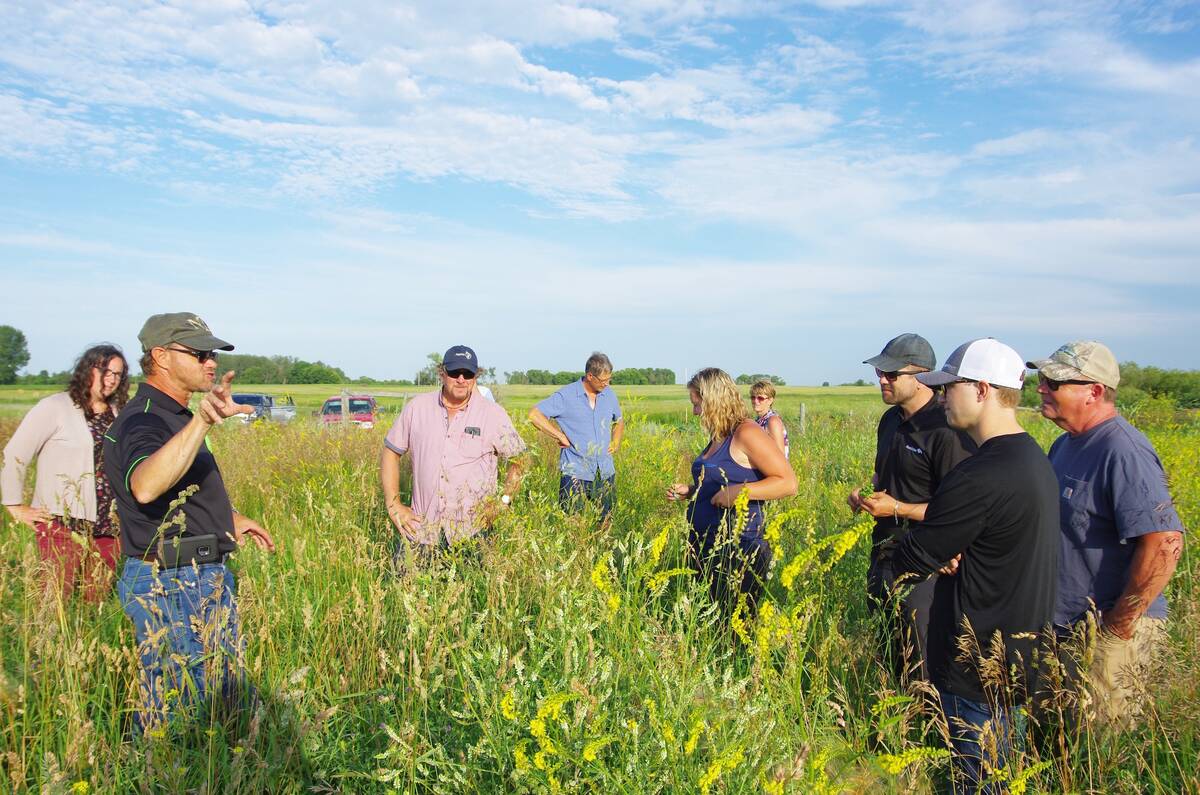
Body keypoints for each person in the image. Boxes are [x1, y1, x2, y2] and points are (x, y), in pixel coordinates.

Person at [891, 338, 1059, 794]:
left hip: (976, 665)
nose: (943, 397)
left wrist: (922, 548)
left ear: (982, 390)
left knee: (979, 781)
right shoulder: (1032, 459)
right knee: (1000, 776)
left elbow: (911, 557)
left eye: (951, 387)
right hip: (1017, 658)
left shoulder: (979, 474)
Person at [104, 313, 275, 731]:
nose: (210, 362)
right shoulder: (144, 417)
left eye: (212, 353)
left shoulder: (174, 417)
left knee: (208, 699)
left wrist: (227, 518)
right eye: (198, 353)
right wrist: (203, 420)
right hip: (174, 581)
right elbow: (145, 486)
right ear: (160, 356)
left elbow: (178, 490)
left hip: (193, 573)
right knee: (181, 709)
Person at [1027, 341, 1184, 727]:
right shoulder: (1064, 444)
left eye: (1055, 382)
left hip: (1108, 634)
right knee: (1053, 745)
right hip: (1063, 626)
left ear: (1094, 392)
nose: (1042, 387)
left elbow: (1165, 542)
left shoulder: (1122, 450)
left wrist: (1118, 626)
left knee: (1099, 753)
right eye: (1043, 379)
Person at [847, 333, 976, 682]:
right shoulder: (890, 421)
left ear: (922, 376)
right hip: (884, 552)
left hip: (926, 566)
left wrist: (898, 509)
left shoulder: (946, 429)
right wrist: (867, 498)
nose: (882, 379)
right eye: (880, 372)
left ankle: (927, 730)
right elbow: (886, 481)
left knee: (921, 659)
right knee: (889, 650)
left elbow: (958, 512)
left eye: (892, 374)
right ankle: (895, 725)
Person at [2, 344, 130, 601]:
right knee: (56, 596)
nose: (111, 379)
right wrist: (13, 504)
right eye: (105, 371)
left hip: (109, 522)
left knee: (95, 600)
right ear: (88, 370)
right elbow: (15, 453)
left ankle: (85, 641)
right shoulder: (55, 407)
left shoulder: (119, 412)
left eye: (118, 374)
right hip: (62, 519)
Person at [381, 345, 527, 563]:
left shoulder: (493, 414)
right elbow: (391, 452)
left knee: (473, 595)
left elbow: (521, 460)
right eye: (454, 373)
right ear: (442, 373)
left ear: (475, 376)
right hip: (421, 530)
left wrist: (504, 501)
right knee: (405, 592)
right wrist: (393, 504)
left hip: (474, 532)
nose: (461, 379)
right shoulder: (417, 408)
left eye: (468, 374)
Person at [666, 368, 797, 611]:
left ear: (714, 401)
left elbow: (788, 482)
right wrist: (693, 491)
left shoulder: (747, 432)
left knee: (733, 629)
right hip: (706, 545)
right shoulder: (719, 436)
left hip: (738, 547)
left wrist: (737, 492)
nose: (695, 412)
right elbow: (721, 484)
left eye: (697, 405)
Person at [528, 352, 624, 523]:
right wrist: (558, 435)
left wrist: (616, 440)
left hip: (605, 472)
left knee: (606, 522)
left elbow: (619, 420)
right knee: (572, 524)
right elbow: (535, 415)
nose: (607, 384)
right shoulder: (566, 396)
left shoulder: (609, 394)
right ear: (590, 376)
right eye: (603, 380)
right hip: (574, 473)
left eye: (610, 379)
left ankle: (602, 549)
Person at [749, 380, 789, 458]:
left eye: (760, 398)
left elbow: (780, 456)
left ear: (770, 400)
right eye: (753, 397)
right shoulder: (759, 420)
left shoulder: (772, 421)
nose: (755, 401)